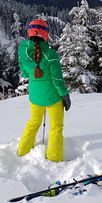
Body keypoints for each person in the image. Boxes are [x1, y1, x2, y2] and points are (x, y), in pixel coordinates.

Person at [17, 19, 71, 162]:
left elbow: (25, 74)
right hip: (52, 97)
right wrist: (64, 94)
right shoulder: (50, 55)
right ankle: (54, 157)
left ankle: (22, 150)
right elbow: (57, 80)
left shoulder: (23, 52)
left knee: (33, 123)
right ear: (45, 35)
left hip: (35, 96)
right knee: (56, 127)